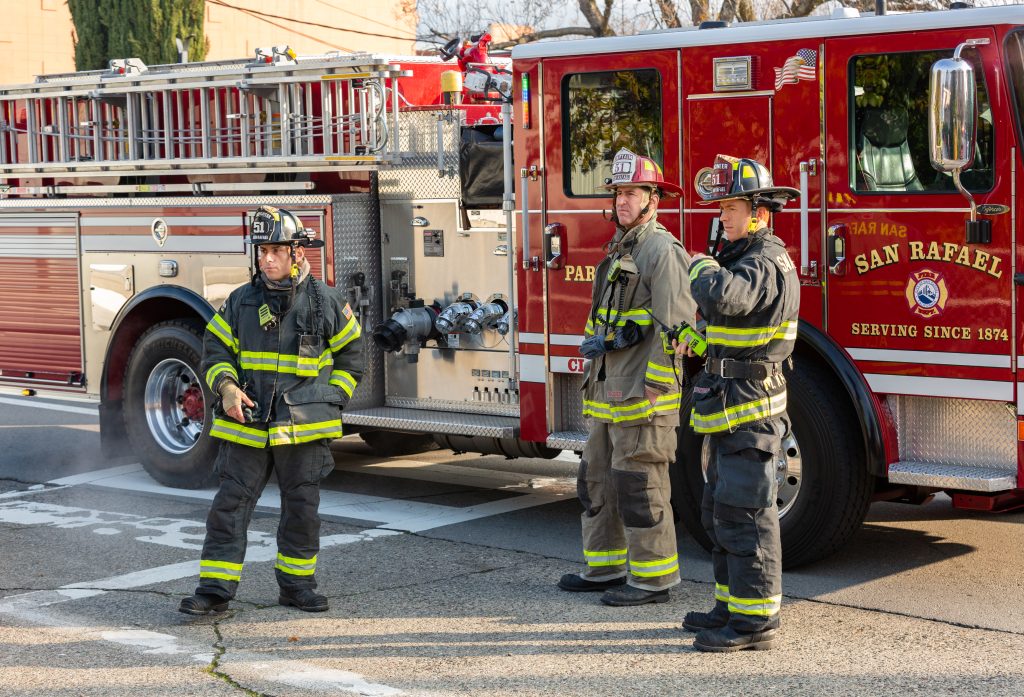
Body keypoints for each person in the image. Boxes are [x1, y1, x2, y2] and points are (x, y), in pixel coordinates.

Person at [179, 205, 363, 615]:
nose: (266, 258)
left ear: (298, 253)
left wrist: (329, 399)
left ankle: (297, 586)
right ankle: (214, 590)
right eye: (262, 250)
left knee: (301, 510)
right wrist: (226, 389)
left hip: (303, 430)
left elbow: (353, 358)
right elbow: (214, 352)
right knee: (229, 507)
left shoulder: (326, 302)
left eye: (276, 250)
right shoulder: (240, 302)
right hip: (247, 426)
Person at [558, 148, 697, 606]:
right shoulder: (620, 248)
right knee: (597, 481)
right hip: (608, 395)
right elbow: (604, 322)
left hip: (642, 397)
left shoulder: (662, 250)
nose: (622, 200)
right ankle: (605, 568)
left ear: (652, 199)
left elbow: (676, 326)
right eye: (618, 192)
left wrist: (658, 389)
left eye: (632, 193)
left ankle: (654, 581)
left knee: (640, 487)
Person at [675, 155, 800, 651]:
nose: (722, 216)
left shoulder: (765, 261)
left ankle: (756, 624)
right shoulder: (744, 255)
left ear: (760, 212)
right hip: (730, 406)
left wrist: (701, 264)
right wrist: (697, 340)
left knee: (747, 516)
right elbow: (736, 332)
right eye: (722, 206)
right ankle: (729, 606)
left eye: (731, 207)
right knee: (720, 512)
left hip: (752, 410)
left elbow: (729, 298)